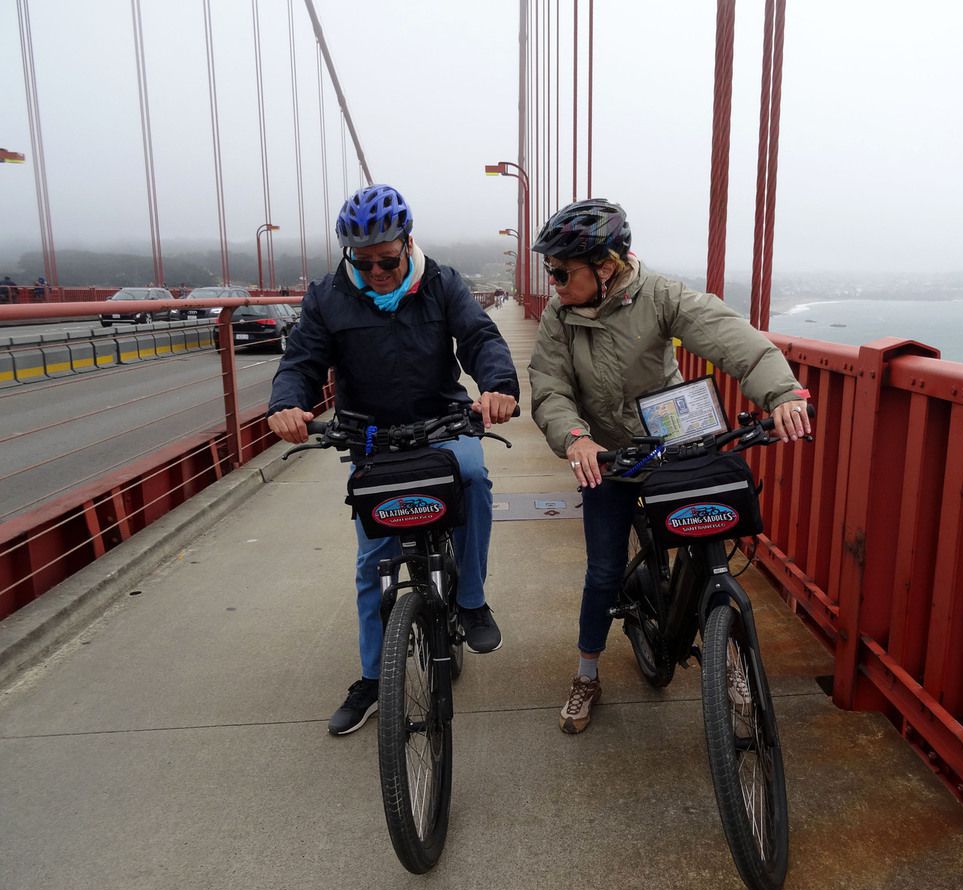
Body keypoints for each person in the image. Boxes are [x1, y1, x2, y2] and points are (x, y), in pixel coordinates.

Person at [527, 198, 812, 735]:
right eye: (549, 270)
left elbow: (732, 341)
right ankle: (587, 672)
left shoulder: (660, 296)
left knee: (709, 536)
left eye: (562, 271)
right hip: (606, 452)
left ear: (606, 266)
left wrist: (783, 394)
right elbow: (550, 387)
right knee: (605, 571)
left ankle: (727, 653)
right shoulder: (558, 317)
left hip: (668, 440)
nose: (553, 281)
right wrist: (576, 438)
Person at [268, 184, 520, 736]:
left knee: (474, 475)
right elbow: (302, 359)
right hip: (371, 435)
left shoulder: (442, 283)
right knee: (373, 561)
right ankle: (372, 679)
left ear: (408, 243)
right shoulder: (328, 295)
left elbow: (480, 338)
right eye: (363, 262)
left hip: (442, 422)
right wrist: (287, 404)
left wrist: (498, 386)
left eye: (386, 260)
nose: (376, 272)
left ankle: (472, 600)